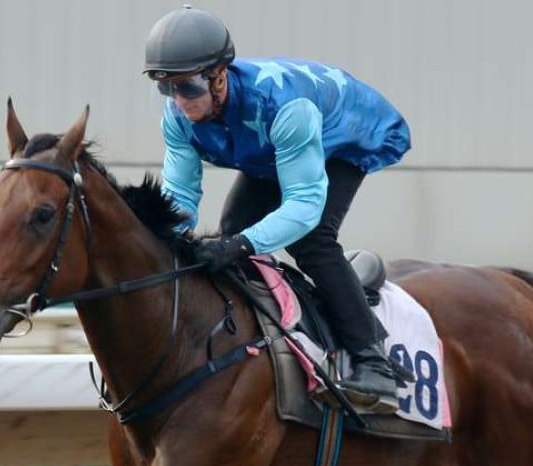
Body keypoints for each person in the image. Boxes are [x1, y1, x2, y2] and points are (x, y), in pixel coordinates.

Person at [143, 4, 411, 412]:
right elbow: (180, 199)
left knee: (311, 238)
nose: (179, 100)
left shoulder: (285, 108)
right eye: (167, 88)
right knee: (233, 227)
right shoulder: (177, 117)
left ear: (219, 77)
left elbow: (304, 206)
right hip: (271, 146)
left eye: (189, 87)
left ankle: (375, 363)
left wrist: (240, 246)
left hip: (345, 131)